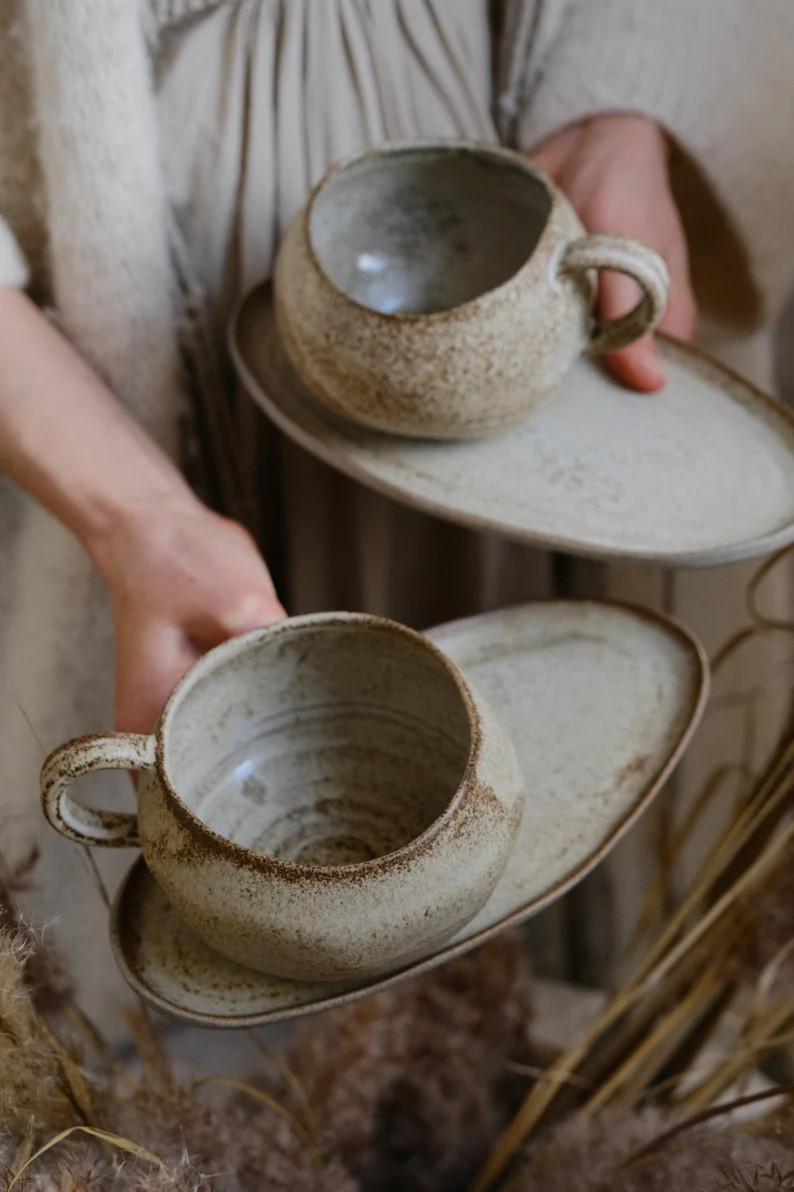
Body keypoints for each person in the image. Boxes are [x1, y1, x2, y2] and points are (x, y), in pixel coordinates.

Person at [1, 0, 792, 1037]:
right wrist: (132, 517)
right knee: (239, 1008)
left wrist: (619, 110)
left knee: (564, 841)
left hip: (508, 188)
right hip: (123, 319)